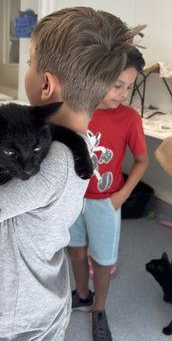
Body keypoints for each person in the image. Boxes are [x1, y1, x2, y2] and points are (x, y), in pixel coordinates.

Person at [0, 7, 143, 341]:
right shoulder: (67, 141)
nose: (28, 70)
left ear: (46, 84)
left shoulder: (53, 165)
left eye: (31, 62)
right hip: (30, 298)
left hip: (17, 321)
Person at [68, 46, 149, 341]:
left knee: (102, 261)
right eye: (118, 85)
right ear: (98, 77)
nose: (124, 93)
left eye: (130, 87)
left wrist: (123, 196)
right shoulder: (77, 110)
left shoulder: (129, 118)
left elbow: (142, 161)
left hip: (106, 202)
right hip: (74, 200)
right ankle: (81, 294)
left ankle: (99, 310)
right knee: (75, 250)